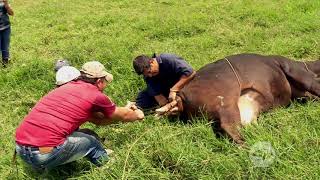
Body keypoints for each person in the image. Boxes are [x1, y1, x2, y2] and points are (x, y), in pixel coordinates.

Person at [15, 61, 144, 170]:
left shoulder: (64, 88)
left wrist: (123, 110)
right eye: (105, 81)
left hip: (22, 150)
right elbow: (122, 116)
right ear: (99, 81)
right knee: (91, 142)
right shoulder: (95, 95)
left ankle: (60, 160)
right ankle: (107, 166)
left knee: (86, 133)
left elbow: (98, 120)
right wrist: (137, 114)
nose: (106, 85)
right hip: (43, 153)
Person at [0, 0, 13, 67]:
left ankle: (5, 63)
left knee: (5, 46)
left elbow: (11, 13)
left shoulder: (3, 3)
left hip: (6, 28)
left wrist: (6, 3)